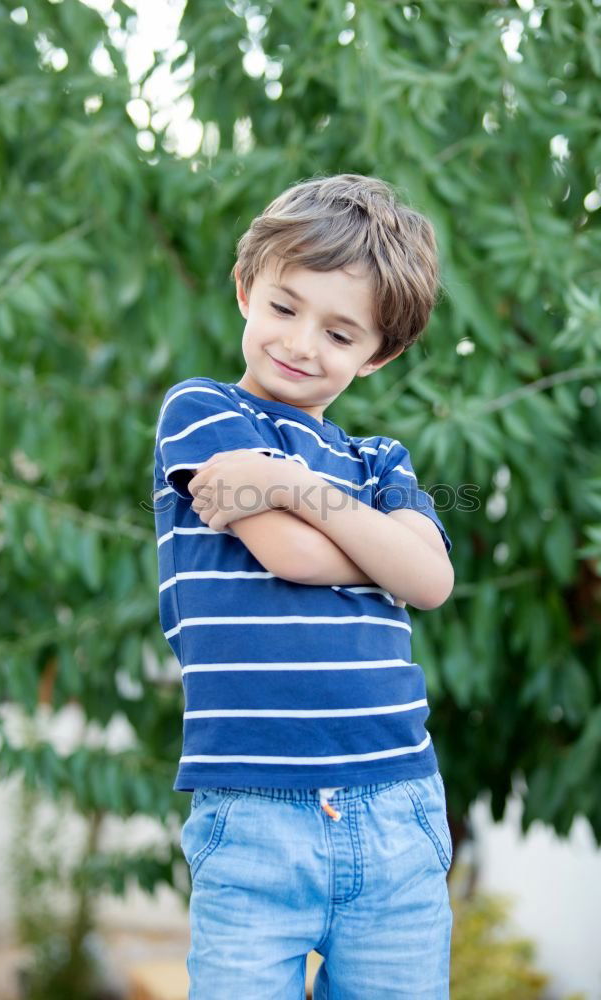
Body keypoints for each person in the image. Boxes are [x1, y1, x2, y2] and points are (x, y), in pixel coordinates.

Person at [152, 173, 455, 999]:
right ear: (247, 290)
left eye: (339, 332)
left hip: (396, 805)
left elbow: (431, 580)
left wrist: (292, 486)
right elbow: (289, 554)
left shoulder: (380, 462)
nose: (300, 343)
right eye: (284, 309)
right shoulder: (206, 413)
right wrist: (383, 549)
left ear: (378, 354)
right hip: (252, 813)